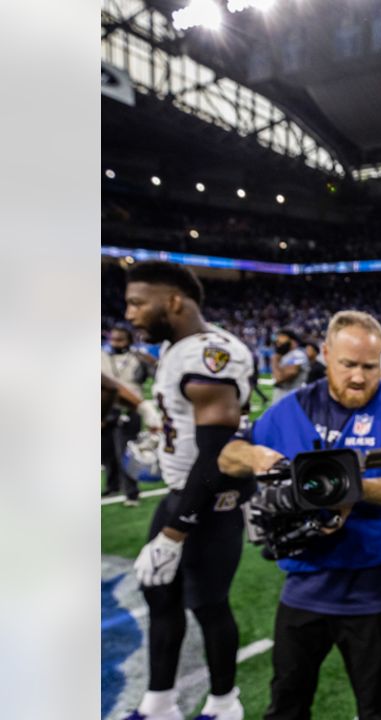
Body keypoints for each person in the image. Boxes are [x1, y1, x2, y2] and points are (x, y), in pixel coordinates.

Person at [218, 310, 381, 720]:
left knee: (377, 711)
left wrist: (354, 489)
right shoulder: (293, 408)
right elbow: (228, 455)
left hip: (378, 589)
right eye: (348, 364)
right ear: (326, 355)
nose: (358, 377)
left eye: (369, 367)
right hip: (307, 583)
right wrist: (256, 456)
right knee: (285, 706)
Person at [121, 262, 256, 720]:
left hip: (211, 500)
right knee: (159, 591)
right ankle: (159, 703)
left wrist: (176, 531)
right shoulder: (175, 347)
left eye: (138, 302)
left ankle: (224, 705)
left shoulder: (211, 353)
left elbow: (216, 452)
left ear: (174, 301)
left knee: (208, 603)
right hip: (181, 490)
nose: (129, 312)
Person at [102, 324, 151, 505]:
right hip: (107, 409)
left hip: (131, 409)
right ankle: (112, 487)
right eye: (113, 339)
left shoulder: (138, 358)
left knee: (125, 451)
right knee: (106, 453)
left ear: (129, 341)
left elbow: (154, 372)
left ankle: (131, 493)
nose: (115, 343)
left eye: (120, 339)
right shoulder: (102, 356)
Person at [270, 328, 309, 404]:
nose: (278, 342)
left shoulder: (297, 355)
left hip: (292, 397)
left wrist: (274, 361)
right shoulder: (284, 356)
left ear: (293, 342)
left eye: (282, 339)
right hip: (282, 396)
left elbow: (280, 378)